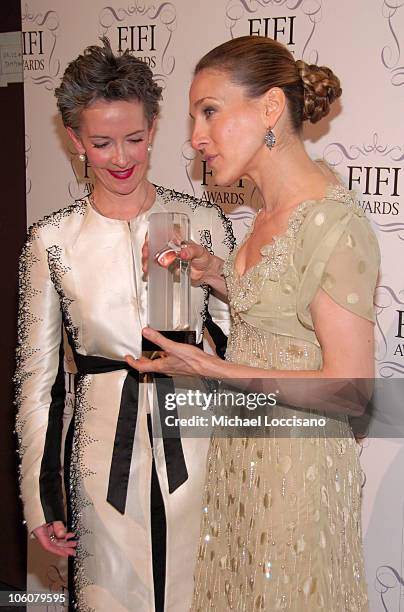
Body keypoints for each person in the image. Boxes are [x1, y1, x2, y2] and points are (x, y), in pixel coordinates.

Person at [126, 36, 380, 611]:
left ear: (269, 109)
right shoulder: (266, 212)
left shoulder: (332, 224)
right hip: (244, 456)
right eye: (194, 116)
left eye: (210, 111)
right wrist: (215, 273)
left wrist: (212, 368)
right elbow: (284, 320)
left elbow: (352, 387)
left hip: (297, 470)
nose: (194, 137)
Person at [14, 39, 234, 612]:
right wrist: (40, 500)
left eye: (134, 138)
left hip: (201, 445)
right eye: (101, 142)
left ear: (156, 126)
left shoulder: (203, 221)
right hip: (97, 457)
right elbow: (37, 384)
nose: (120, 158)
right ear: (73, 138)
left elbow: (244, 345)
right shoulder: (52, 241)